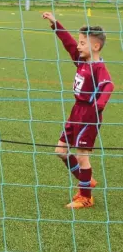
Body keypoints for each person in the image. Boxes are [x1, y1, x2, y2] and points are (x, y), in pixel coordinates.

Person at [42, 12, 114, 209]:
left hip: (89, 115)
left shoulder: (99, 67)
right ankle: (86, 181)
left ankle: (86, 197)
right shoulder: (81, 60)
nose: (79, 46)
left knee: (82, 156)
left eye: (83, 43)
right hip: (76, 112)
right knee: (61, 151)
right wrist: (56, 24)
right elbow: (68, 43)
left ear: (95, 46)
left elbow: (108, 86)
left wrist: (98, 106)